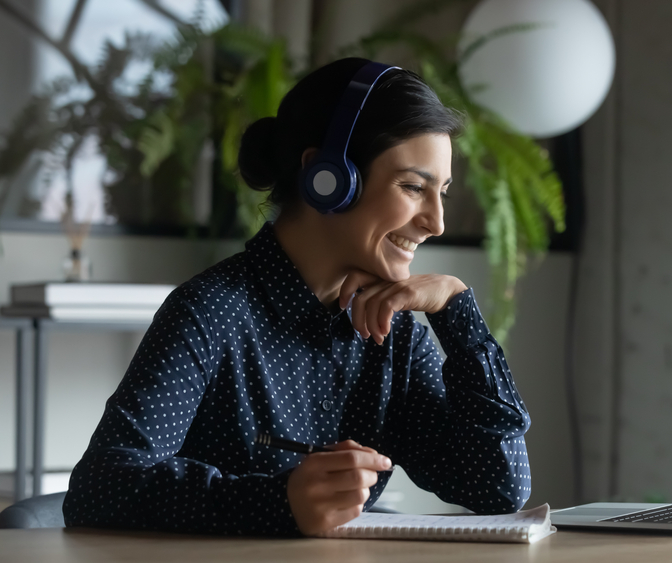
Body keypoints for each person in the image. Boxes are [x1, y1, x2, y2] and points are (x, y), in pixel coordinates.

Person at [62, 58, 532, 537]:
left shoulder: (395, 334)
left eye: (441, 193)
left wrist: (457, 311)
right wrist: (279, 503)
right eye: (413, 187)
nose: (436, 222)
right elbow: (99, 489)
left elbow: (498, 488)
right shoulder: (211, 311)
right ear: (327, 178)